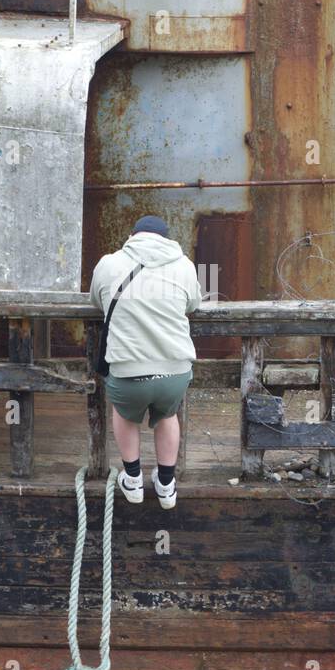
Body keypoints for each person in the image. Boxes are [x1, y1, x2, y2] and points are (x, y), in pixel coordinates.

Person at [89, 215, 202, 508]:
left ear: (132, 235)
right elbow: (193, 304)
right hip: (174, 371)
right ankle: (166, 484)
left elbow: (96, 300)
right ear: (167, 239)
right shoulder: (185, 266)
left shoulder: (109, 264)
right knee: (167, 415)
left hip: (128, 372)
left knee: (125, 413)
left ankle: (133, 479)